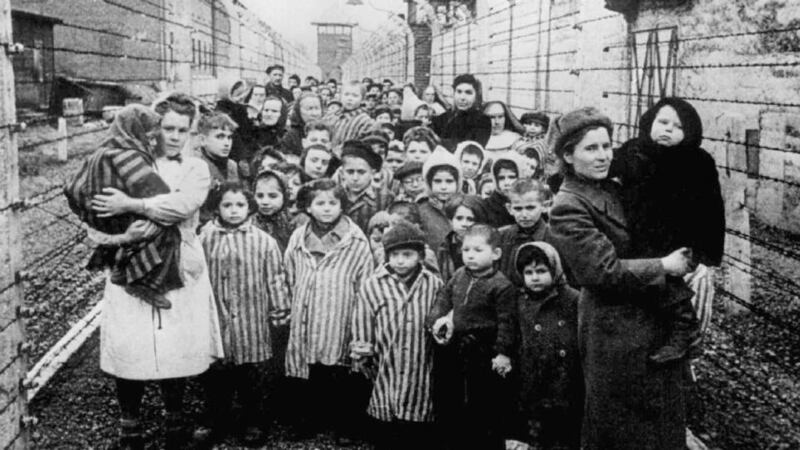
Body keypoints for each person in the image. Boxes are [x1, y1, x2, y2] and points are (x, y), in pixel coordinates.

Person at [547, 107, 694, 449]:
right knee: (623, 426)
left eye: (606, 146)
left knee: (660, 421)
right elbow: (602, 271)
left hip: (652, 318)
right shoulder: (568, 206)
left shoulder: (612, 187)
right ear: (568, 155)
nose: (603, 156)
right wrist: (664, 266)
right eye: (591, 148)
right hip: (615, 330)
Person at [88, 93, 223, 449]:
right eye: (168, 128)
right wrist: (123, 236)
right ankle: (129, 425)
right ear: (153, 129)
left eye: (183, 130)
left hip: (180, 263)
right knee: (131, 343)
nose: (174, 136)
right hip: (129, 263)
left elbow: (181, 205)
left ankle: (175, 419)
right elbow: (96, 218)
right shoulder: (129, 163)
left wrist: (131, 204)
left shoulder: (195, 168)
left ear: (191, 132)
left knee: (175, 343)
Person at [610, 97, 724, 363]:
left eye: (678, 126)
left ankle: (684, 327)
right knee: (642, 278)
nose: (668, 129)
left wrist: (705, 253)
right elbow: (605, 168)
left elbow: (712, 209)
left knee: (674, 276)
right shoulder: (633, 151)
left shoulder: (698, 162)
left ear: (690, 133)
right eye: (662, 122)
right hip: (636, 233)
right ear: (650, 122)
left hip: (677, 238)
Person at [195, 181, 290, 447]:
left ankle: (254, 421)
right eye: (227, 205)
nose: (234, 210)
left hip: (252, 321)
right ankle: (216, 419)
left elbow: (275, 278)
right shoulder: (204, 238)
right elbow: (195, 275)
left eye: (240, 205)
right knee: (216, 375)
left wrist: (280, 312)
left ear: (250, 207)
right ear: (217, 208)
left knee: (252, 377)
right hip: (217, 320)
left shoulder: (264, 242)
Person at [64, 104, 184, 311]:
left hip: (98, 215)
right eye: (148, 135)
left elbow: (72, 186)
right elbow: (148, 185)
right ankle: (144, 283)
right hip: (116, 214)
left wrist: (85, 208)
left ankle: (121, 267)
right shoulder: (127, 154)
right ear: (135, 131)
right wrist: (166, 196)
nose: (152, 140)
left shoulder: (99, 152)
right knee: (166, 232)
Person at [283, 178, 375, 444]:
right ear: (308, 207)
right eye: (319, 203)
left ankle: (344, 424)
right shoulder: (299, 237)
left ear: (342, 206)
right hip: (306, 313)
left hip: (339, 313)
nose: (326, 208)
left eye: (332, 203)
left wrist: (360, 321)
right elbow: (289, 271)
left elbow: (365, 281)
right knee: (308, 368)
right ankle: (307, 420)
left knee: (340, 369)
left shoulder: (355, 241)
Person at [351, 220, 444, 450]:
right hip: (386, 358)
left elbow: (441, 316)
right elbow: (363, 320)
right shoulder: (373, 285)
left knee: (417, 411)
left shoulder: (433, 284)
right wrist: (363, 352)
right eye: (394, 255)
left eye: (407, 254)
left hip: (420, 358)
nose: (400, 261)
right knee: (386, 408)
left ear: (420, 256)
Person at [426, 224, 516, 450]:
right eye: (466, 250)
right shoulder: (459, 275)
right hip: (455, 345)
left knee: (481, 401)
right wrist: (435, 320)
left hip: (483, 350)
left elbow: (507, 322)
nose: (470, 256)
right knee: (450, 396)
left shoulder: (501, 285)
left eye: (478, 250)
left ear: (496, 253)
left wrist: (503, 353)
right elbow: (444, 298)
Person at [511, 242, 582, 450]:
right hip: (531, 383)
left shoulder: (573, 299)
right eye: (529, 272)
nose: (535, 278)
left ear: (555, 269)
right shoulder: (519, 301)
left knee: (564, 438)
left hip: (565, 384)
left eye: (541, 271)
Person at [498, 179, 551, 286]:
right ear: (509, 209)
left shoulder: (555, 236)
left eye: (530, 208)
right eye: (518, 209)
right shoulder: (502, 236)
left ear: (545, 206)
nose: (524, 215)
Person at [196, 112, 241, 227]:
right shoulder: (196, 166)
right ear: (203, 140)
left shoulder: (232, 166)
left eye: (229, 137)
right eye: (220, 137)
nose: (227, 143)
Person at [339, 140, 394, 233]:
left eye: (361, 172)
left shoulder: (385, 198)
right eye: (350, 172)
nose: (355, 178)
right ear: (342, 173)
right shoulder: (336, 194)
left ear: (372, 173)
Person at [430, 74, 491, 151]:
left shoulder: (482, 121)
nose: (462, 97)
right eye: (459, 92)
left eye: (468, 93)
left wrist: (438, 141)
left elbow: (469, 149)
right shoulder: (443, 118)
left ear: (476, 96)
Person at [436, 194, 488, 283]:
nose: (464, 224)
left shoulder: (486, 245)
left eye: (470, 219)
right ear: (451, 220)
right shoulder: (445, 246)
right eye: (459, 218)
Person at [419, 148, 461, 252]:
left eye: (449, 181)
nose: (443, 187)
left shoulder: (465, 206)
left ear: (458, 182)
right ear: (429, 183)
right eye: (437, 181)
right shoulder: (421, 209)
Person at [216, 78, 257, 182]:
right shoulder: (222, 112)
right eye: (237, 94)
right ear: (227, 94)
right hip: (234, 156)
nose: (241, 97)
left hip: (246, 153)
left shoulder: (240, 108)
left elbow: (248, 132)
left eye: (242, 93)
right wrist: (242, 157)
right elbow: (235, 137)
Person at [252, 168, 294, 252]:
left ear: (285, 196)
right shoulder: (250, 223)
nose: (265, 202)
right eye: (260, 196)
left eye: (272, 196)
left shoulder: (291, 222)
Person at [327, 80, 375, 154]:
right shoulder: (332, 115)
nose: (349, 98)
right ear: (340, 96)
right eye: (346, 94)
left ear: (363, 100)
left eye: (355, 96)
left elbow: (362, 144)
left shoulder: (365, 121)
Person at [279, 92, 324, 160]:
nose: (314, 113)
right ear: (299, 111)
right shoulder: (290, 136)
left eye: (317, 108)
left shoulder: (328, 132)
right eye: (309, 109)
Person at [483, 152, 523, 228]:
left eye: (511, 177)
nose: (506, 183)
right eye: (501, 178)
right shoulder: (486, 206)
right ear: (495, 180)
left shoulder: (528, 203)